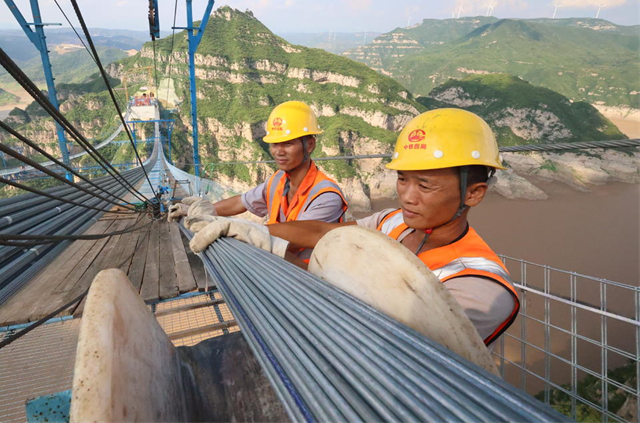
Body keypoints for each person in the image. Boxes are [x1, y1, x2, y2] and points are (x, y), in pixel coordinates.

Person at [189, 108, 520, 347]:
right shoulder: (390, 222)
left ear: (473, 193)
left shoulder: (481, 287)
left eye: (424, 185)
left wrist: (261, 241)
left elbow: (392, 346)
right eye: (402, 180)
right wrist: (250, 232)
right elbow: (326, 234)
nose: (407, 196)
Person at [170, 101, 348, 263]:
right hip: (280, 267)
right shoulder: (278, 180)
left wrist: (240, 228)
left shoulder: (325, 196)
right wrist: (206, 212)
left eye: (287, 143)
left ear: (309, 145)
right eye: (274, 144)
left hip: (311, 280)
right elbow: (241, 202)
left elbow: (289, 242)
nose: (278, 152)